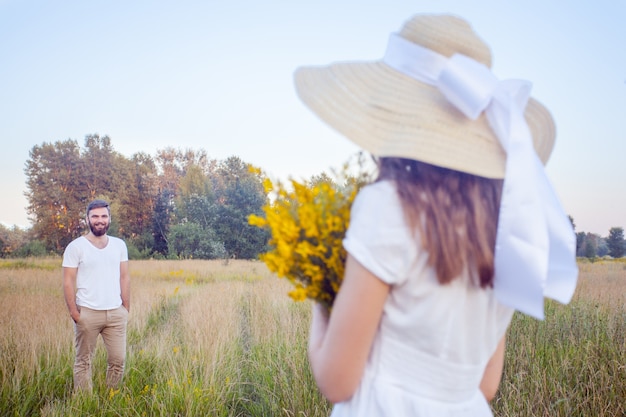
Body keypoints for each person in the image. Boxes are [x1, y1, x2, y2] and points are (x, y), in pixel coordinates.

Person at [294, 14, 578, 416]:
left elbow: (337, 380)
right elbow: (486, 384)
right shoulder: (510, 230)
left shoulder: (388, 207)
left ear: (395, 120)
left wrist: (320, 291)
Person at [62, 199, 130, 393]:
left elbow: (124, 277)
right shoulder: (76, 247)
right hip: (88, 313)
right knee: (83, 362)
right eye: (95, 216)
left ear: (109, 219)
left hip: (116, 314)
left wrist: (125, 308)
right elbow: (68, 281)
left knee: (118, 361)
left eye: (103, 216)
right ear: (87, 219)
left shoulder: (119, 245)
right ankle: (85, 404)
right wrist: (75, 313)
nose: (99, 220)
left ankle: (111, 398)